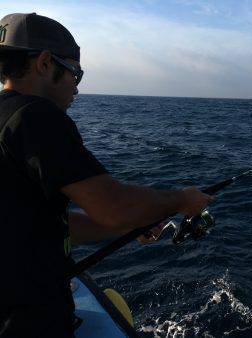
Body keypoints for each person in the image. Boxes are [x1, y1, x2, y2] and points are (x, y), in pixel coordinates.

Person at [0, 12, 212, 337]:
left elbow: (51, 223)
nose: (76, 86)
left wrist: (128, 225)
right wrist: (182, 200)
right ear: (44, 63)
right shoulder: (36, 117)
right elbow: (115, 206)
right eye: (75, 72)